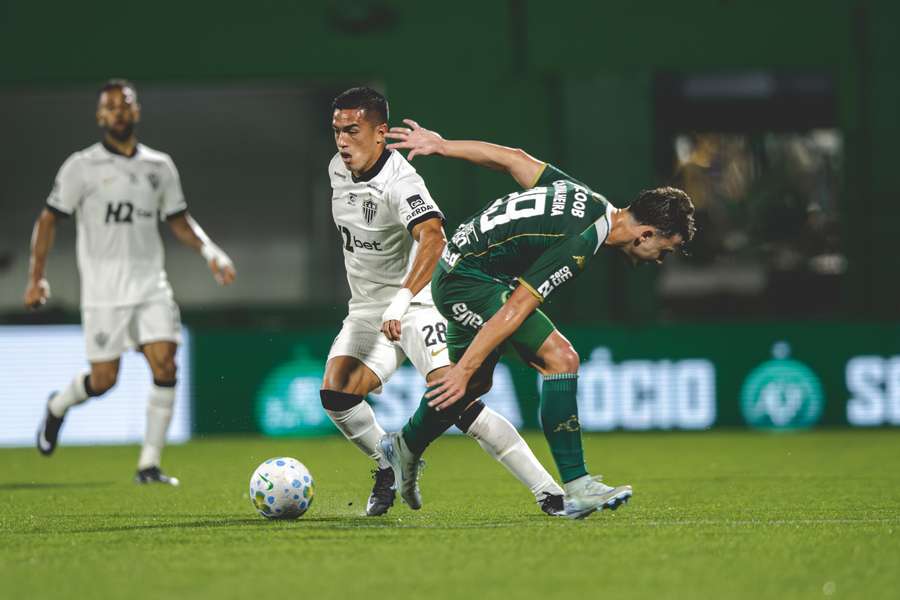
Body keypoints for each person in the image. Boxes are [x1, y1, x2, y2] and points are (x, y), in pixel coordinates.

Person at [380, 120, 696, 518]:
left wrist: (444, 146)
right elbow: (515, 308)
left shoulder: (586, 197)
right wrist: (460, 370)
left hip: (463, 270)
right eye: (664, 250)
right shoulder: (583, 240)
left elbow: (513, 159)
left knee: (474, 383)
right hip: (467, 282)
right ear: (645, 234)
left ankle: (403, 445)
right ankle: (578, 485)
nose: (659, 259)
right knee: (560, 359)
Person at [322, 87, 565, 516]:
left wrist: (401, 301)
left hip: (416, 305)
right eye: (337, 130)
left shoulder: (401, 182)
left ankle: (549, 491)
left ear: (381, 133)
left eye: (352, 131)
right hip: (365, 310)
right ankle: (386, 466)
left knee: (453, 399)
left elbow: (432, 236)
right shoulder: (337, 169)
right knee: (337, 392)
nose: (342, 141)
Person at [27, 79, 236, 485]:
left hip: (150, 286)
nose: (118, 113)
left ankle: (149, 465)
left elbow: (178, 219)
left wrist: (211, 251)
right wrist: (37, 278)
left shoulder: (159, 167)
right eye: (110, 107)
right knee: (103, 381)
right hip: (104, 293)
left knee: (166, 361)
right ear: (100, 116)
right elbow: (50, 218)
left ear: (136, 111)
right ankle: (57, 405)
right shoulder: (80, 166)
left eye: (125, 106)